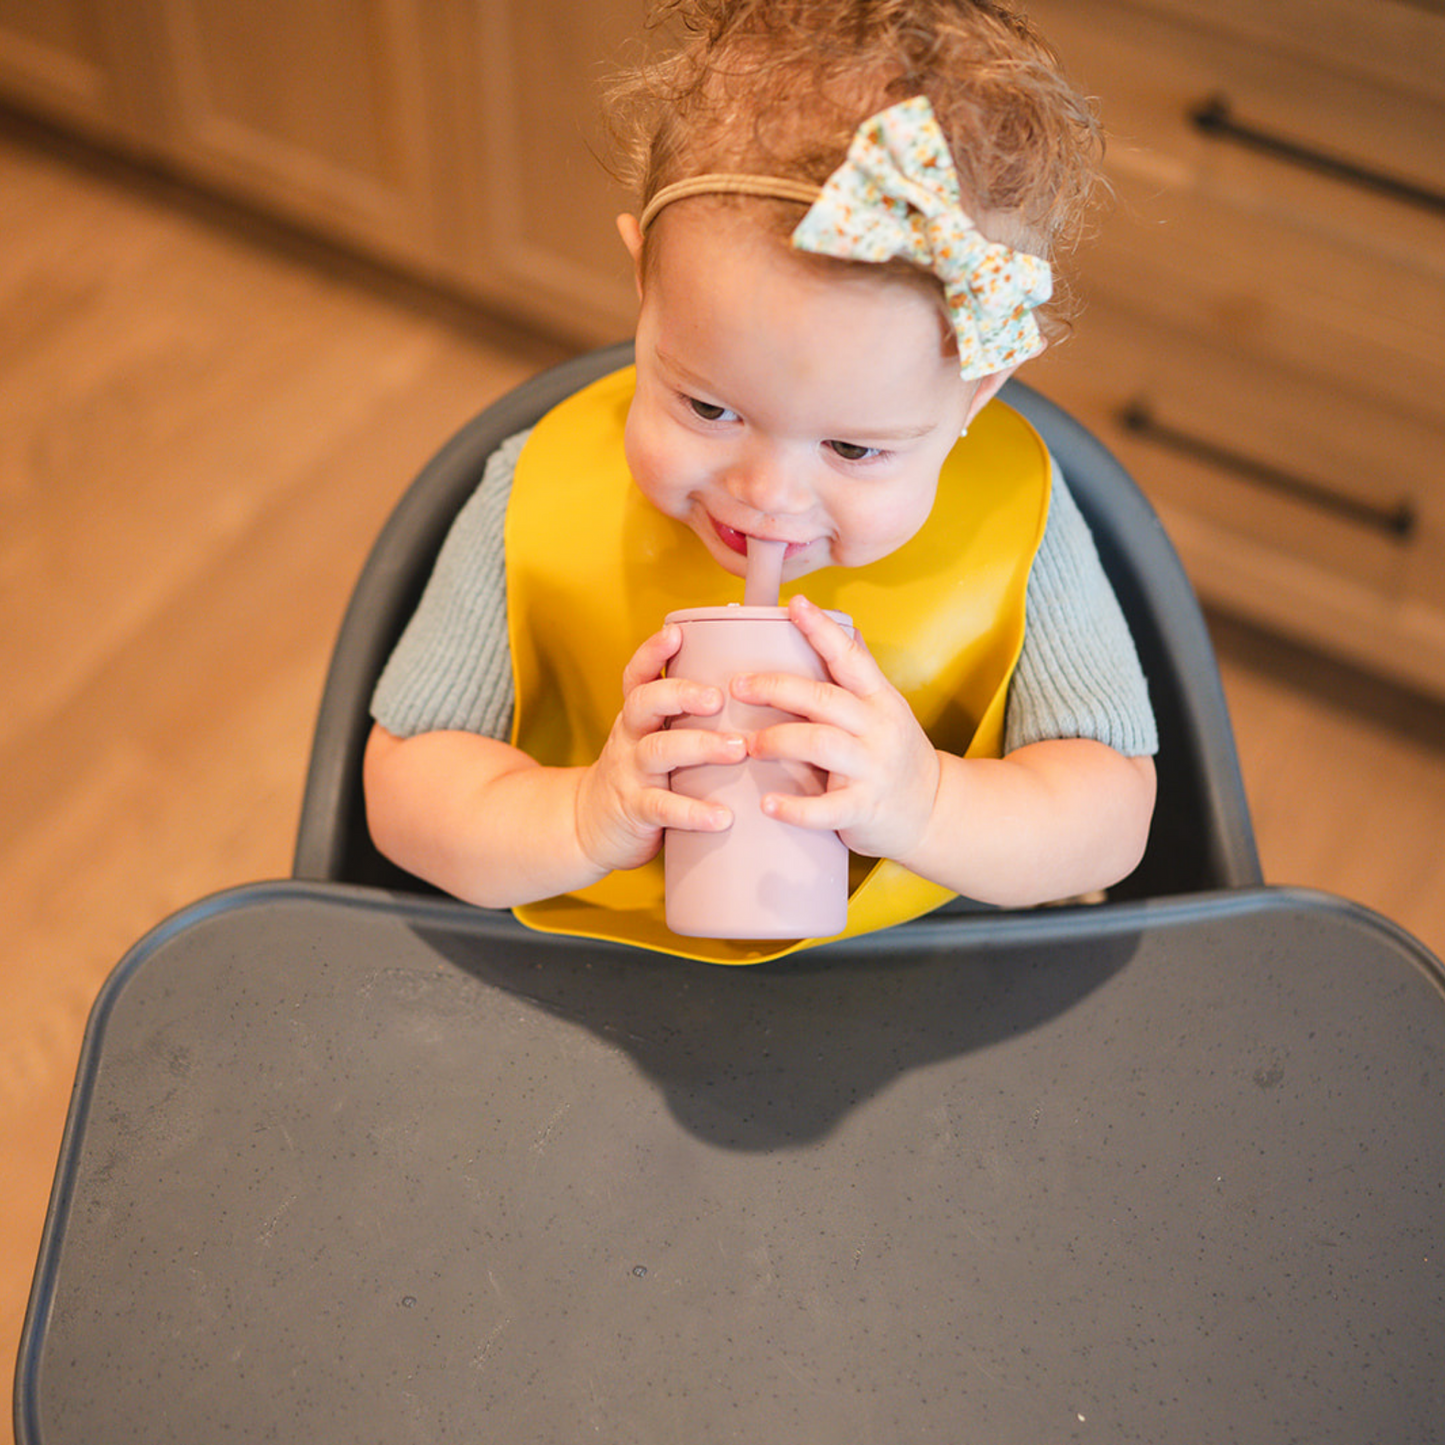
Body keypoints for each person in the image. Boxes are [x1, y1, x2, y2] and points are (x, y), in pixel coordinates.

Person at [363, 0, 1158, 963]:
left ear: (972, 397)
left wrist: (926, 804)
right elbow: (403, 792)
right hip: (590, 969)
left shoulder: (1022, 525)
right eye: (708, 408)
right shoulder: (533, 494)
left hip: (925, 974)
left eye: (854, 450)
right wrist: (580, 815)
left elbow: (1111, 817)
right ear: (644, 292)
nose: (766, 495)